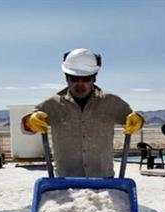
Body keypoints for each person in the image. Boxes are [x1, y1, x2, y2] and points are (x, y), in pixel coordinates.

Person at [21, 48, 144, 177]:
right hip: (65, 183)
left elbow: (133, 119)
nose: (80, 84)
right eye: (74, 79)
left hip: (104, 181)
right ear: (66, 78)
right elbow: (26, 127)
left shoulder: (111, 102)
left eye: (86, 79)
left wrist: (138, 121)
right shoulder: (52, 104)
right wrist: (30, 122)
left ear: (94, 79)